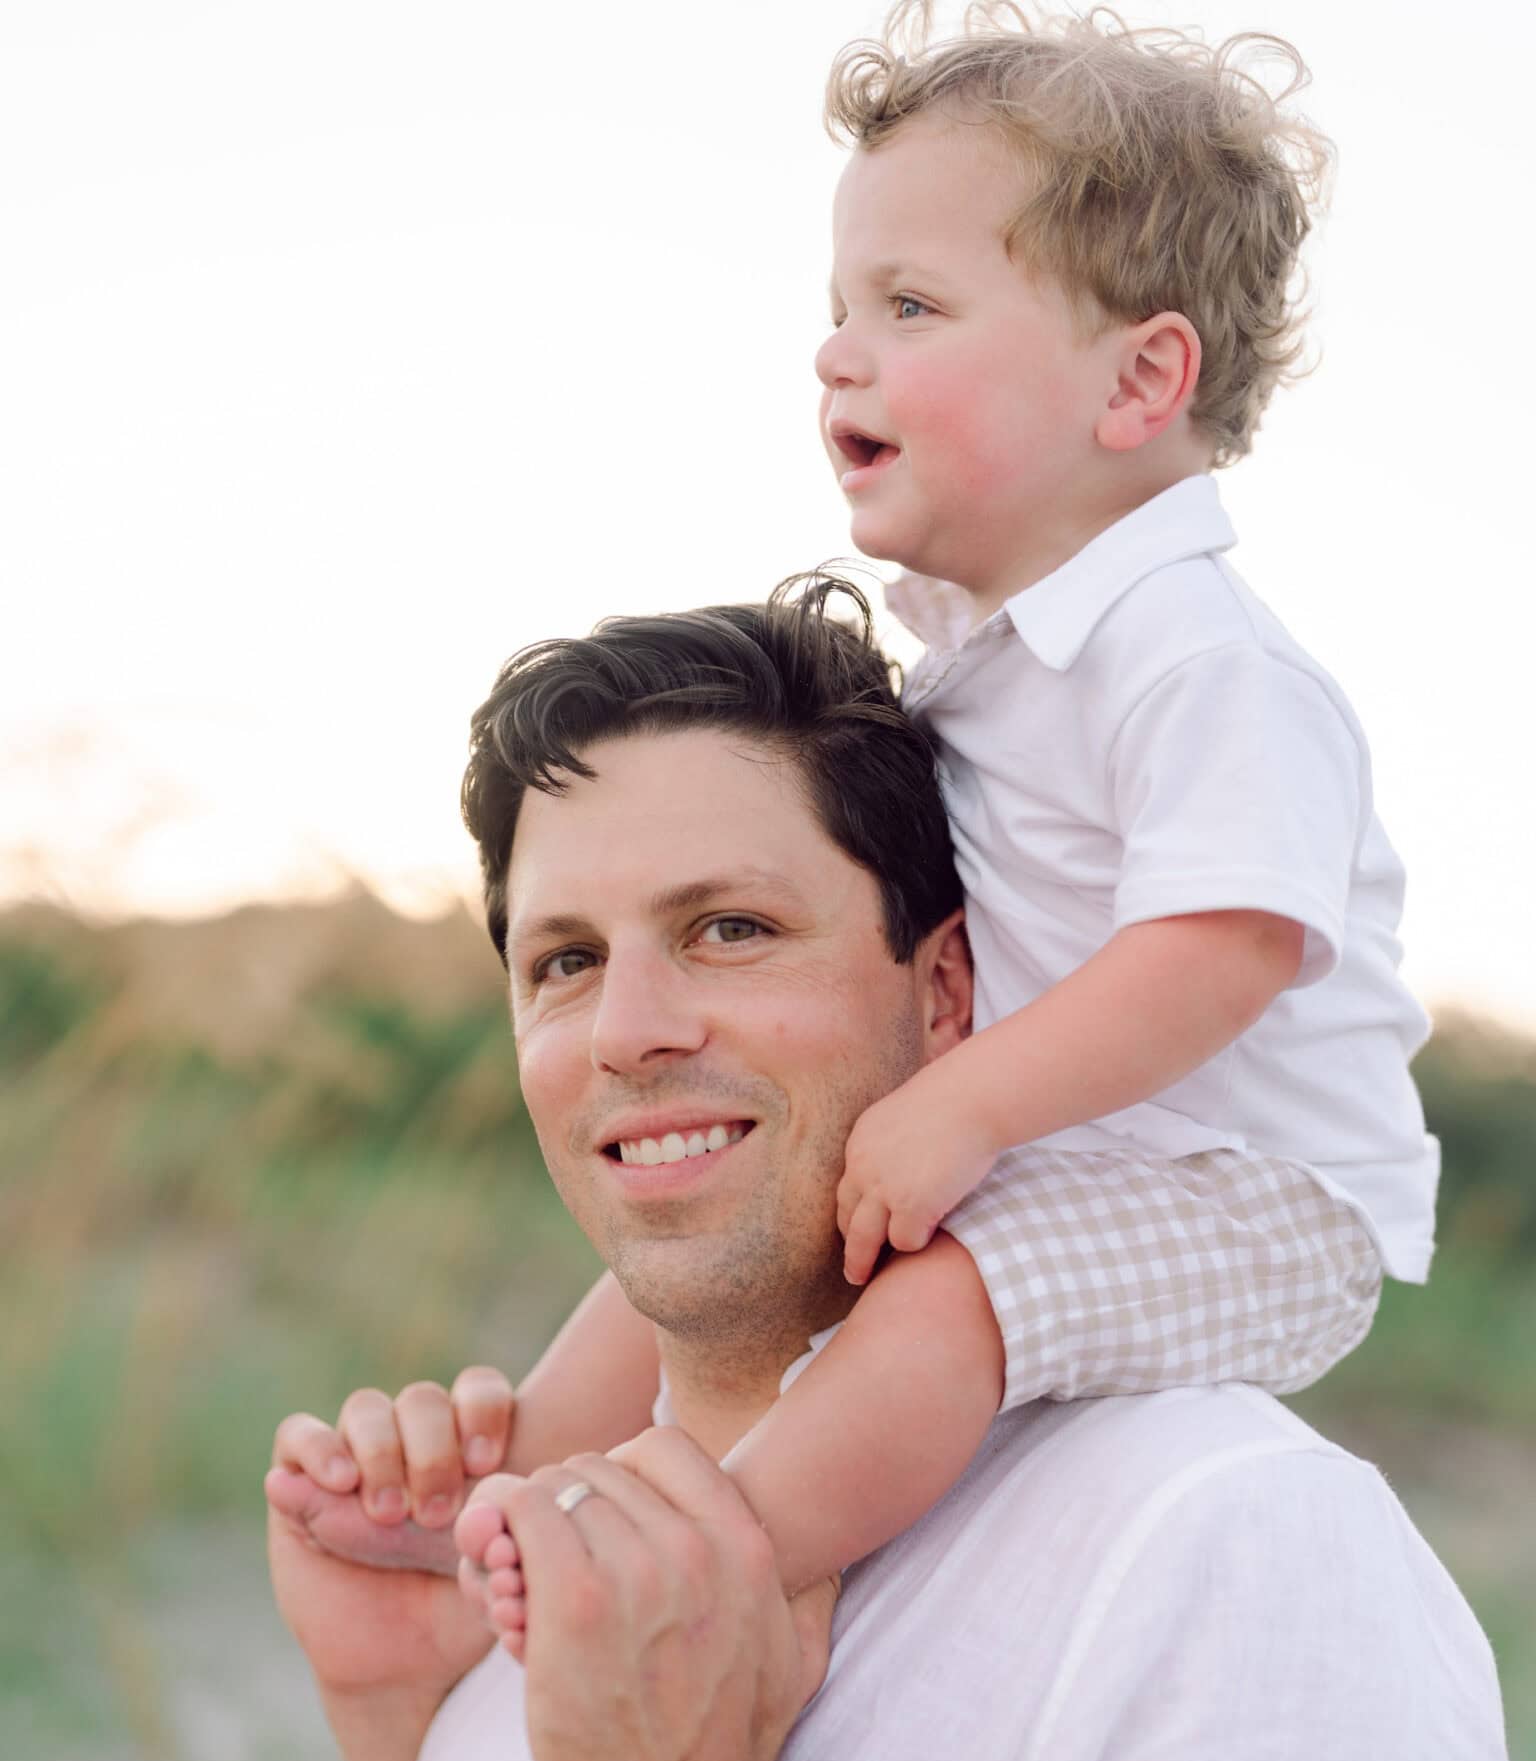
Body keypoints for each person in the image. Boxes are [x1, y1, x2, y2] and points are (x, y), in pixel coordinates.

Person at [267, 578, 1521, 1761]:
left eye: (731, 928)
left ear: (944, 995)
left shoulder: (1232, 1547)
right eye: (566, 963)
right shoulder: (553, 1534)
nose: (629, 1028)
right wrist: (401, 1702)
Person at [402, 5, 1438, 1636]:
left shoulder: (1200, 657)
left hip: (1254, 1191)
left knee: (947, 1303)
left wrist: (965, 1112)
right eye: (837, 308)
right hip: (1081, 1147)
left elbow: (1228, 945)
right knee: (760, 1211)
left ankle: (711, 1571)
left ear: (1141, 376)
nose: (838, 351)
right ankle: (504, 1481)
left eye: (910, 305)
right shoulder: (983, 656)